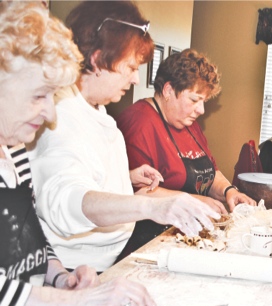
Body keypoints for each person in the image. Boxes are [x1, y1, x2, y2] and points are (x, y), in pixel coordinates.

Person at [0, 3, 157, 306]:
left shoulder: (13, 150)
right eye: (40, 95)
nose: (51, 111)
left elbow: (29, 232)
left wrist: (58, 275)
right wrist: (77, 305)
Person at [28, 2, 220, 272]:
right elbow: (67, 199)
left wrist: (125, 178)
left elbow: (84, 171)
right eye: (130, 67)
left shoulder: (94, 108)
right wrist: (152, 207)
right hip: (77, 271)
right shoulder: (59, 113)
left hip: (110, 262)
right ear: (96, 60)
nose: (134, 80)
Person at [117, 49, 256, 252]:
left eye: (203, 101)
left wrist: (229, 191)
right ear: (168, 90)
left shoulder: (187, 122)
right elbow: (137, 191)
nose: (201, 110)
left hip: (186, 236)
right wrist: (194, 201)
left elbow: (210, 171)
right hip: (148, 242)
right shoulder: (138, 123)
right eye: (193, 100)